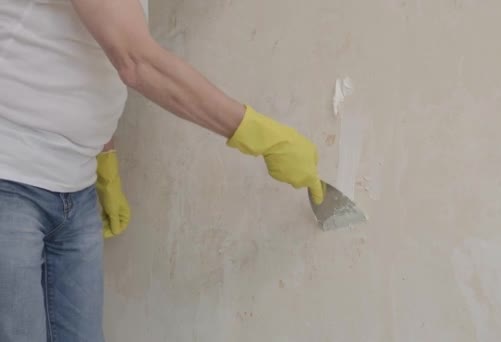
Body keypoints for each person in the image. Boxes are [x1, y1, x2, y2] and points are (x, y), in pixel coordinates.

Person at [0, 0, 324, 341]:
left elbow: (89, 62)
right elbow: (136, 62)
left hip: (74, 189)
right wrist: (261, 136)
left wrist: (104, 159)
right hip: (11, 183)